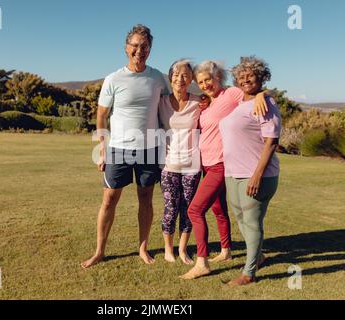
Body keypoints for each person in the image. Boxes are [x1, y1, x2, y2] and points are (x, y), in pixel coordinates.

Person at [81, 25, 169, 268]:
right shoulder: (113, 79)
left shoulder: (158, 78)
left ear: (150, 50)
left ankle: (143, 247)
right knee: (109, 200)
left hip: (149, 149)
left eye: (145, 46)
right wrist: (101, 149)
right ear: (126, 47)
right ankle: (99, 251)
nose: (140, 50)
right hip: (118, 149)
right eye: (135, 45)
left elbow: (172, 105)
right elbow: (101, 117)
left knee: (146, 199)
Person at [180, 60, 268, 279]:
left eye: (208, 79)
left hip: (221, 164)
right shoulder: (207, 102)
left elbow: (254, 91)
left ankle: (202, 262)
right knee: (219, 210)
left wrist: (262, 95)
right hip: (206, 165)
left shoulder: (231, 94)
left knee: (195, 210)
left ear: (217, 77)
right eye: (200, 82)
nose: (205, 85)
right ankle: (228, 251)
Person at [221, 56, 281, 286]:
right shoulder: (241, 103)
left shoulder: (265, 104)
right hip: (232, 173)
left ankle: (249, 273)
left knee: (253, 221)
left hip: (257, 174)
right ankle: (258, 255)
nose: (246, 79)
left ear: (260, 77)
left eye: (251, 75)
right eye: (241, 76)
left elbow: (271, 142)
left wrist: (256, 175)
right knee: (240, 219)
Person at [158, 59, 201, 265]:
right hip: (169, 166)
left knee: (188, 210)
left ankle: (183, 250)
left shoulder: (199, 102)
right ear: (170, 78)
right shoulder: (161, 102)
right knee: (170, 209)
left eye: (184, 75)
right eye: (175, 74)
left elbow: (222, 97)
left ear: (191, 79)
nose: (180, 79)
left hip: (192, 167)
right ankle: (168, 249)